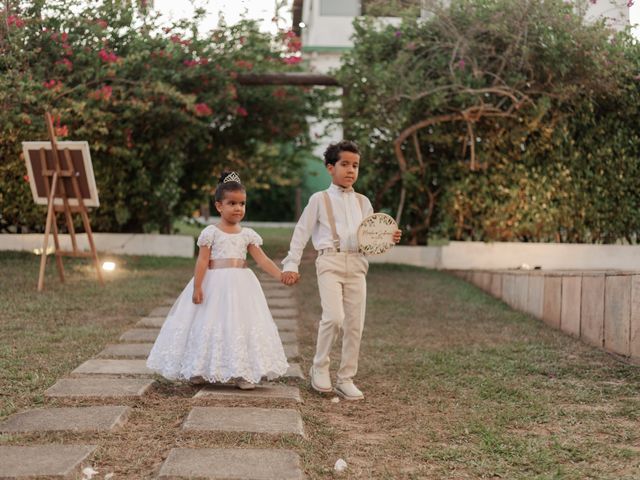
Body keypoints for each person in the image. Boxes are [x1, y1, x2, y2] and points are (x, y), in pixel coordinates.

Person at [281, 140, 401, 400]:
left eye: (355, 165)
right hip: (329, 263)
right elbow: (301, 233)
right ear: (330, 167)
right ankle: (319, 367)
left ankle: (346, 377)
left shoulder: (363, 202)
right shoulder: (319, 199)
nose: (350, 170)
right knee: (334, 317)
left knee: (355, 324)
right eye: (344, 164)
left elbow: (368, 240)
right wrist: (291, 263)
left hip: (357, 264)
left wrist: (386, 238)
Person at [146, 172, 289, 390]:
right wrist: (197, 286)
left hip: (241, 286)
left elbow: (262, 259)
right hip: (214, 284)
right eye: (232, 203)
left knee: (239, 323)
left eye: (242, 203)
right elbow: (202, 262)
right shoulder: (210, 233)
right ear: (219, 206)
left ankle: (243, 371)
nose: (238, 208)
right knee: (208, 322)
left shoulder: (248, 234)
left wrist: (280, 274)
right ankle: (199, 368)